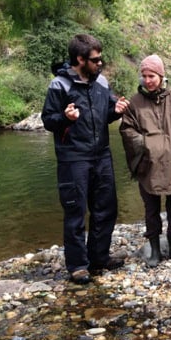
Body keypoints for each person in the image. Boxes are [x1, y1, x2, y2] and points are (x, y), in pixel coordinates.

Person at [41, 34, 129, 284]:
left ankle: (99, 258)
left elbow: (106, 115)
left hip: (101, 155)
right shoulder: (59, 85)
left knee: (106, 209)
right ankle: (78, 266)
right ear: (80, 59)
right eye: (95, 59)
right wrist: (65, 118)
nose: (100, 63)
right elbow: (48, 121)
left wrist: (116, 111)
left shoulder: (101, 81)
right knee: (76, 212)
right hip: (73, 159)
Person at [119, 54, 171, 268]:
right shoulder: (134, 103)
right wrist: (147, 145)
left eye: (151, 75)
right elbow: (127, 129)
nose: (147, 80)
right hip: (147, 165)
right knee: (151, 210)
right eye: (144, 76)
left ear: (161, 75)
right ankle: (153, 245)